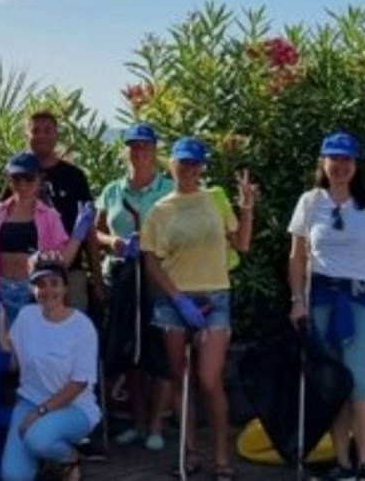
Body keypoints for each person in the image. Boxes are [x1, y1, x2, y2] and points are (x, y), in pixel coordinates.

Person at [287, 132, 365, 481]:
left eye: (347, 159)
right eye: (334, 158)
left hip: (364, 298)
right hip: (320, 298)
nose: (341, 166)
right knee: (332, 383)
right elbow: (297, 257)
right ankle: (342, 462)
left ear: (356, 164)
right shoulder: (309, 202)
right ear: (323, 162)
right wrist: (297, 301)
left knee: (358, 383)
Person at [141, 137, 257, 481]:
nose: (188, 169)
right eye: (183, 163)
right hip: (173, 301)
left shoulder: (215, 199)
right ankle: (190, 453)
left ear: (202, 167)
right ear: (171, 165)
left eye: (195, 163)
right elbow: (151, 261)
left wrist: (247, 207)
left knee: (208, 380)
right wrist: (176, 297)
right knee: (180, 379)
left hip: (214, 298)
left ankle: (222, 456)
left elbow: (242, 244)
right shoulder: (160, 209)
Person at [93, 123, 174, 452]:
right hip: (122, 277)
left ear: (154, 150)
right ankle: (138, 423)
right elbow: (94, 234)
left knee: (160, 353)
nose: (139, 151)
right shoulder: (112, 190)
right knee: (131, 352)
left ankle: (157, 424)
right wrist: (111, 240)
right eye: (133, 146)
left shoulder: (170, 187)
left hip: (160, 279)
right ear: (124, 150)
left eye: (145, 146)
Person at [0, 254, 100, 481]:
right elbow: (14, 364)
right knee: (12, 476)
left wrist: (39, 412)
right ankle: (42, 455)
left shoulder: (82, 326)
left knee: (38, 439)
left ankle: (69, 457)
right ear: (33, 289)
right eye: (40, 285)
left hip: (74, 407)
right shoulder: (26, 316)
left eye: (54, 283)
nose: (47, 290)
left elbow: (79, 383)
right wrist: (1, 329)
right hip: (30, 398)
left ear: (65, 286)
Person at [0, 152, 82, 323]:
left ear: (39, 179)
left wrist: (78, 235)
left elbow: (61, 261)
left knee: (32, 344)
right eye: (16, 179)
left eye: (29, 178)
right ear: (9, 180)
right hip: (0, 291)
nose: (23, 184)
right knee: (3, 344)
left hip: (35, 292)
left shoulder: (49, 216)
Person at [24, 112, 99, 312]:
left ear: (57, 135)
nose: (41, 136)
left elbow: (89, 230)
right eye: (35, 131)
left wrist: (97, 279)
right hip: (30, 274)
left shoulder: (74, 176)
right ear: (27, 136)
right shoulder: (19, 176)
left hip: (70, 274)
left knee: (73, 335)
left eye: (48, 130)